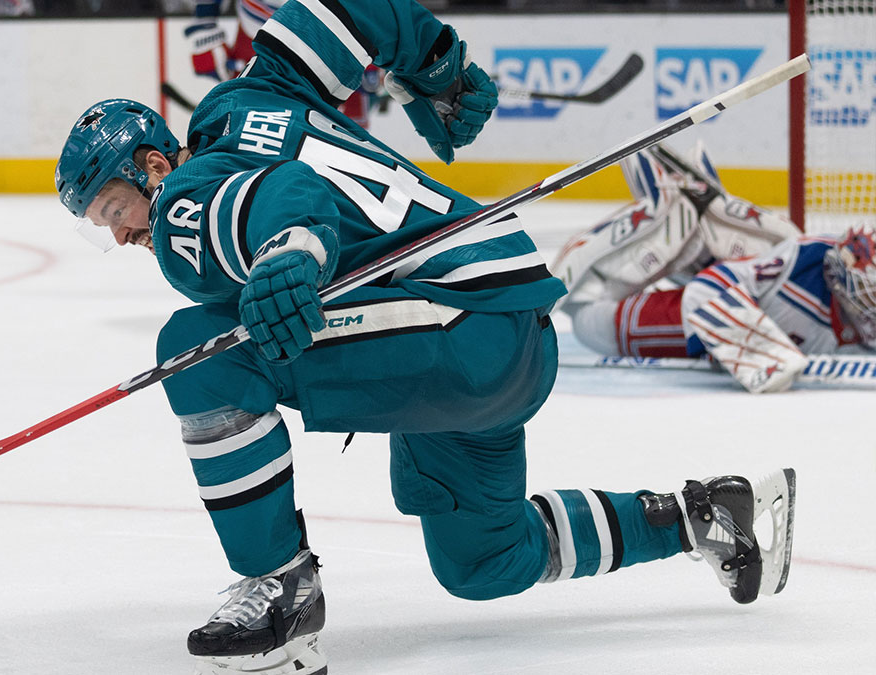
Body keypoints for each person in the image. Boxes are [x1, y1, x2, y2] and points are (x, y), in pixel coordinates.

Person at [54, 2, 797, 673]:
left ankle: (279, 587)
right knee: (483, 558)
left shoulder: (181, 200)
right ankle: (703, 516)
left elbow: (288, 195)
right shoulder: (255, 92)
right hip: (505, 330)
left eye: (115, 208)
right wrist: (436, 70)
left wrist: (288, 249)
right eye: (102, 226)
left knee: (201, 351)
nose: (122, 234)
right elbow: (343, 10)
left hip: (455, 324)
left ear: (153, 165)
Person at [553, 141, 875, 393]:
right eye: (870, 293)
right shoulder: (806, 259)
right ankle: (667, 215)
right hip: (613, 322)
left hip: (739, 299)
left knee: (767, 249)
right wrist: (750, 350)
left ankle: (698, 238)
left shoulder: (858, 313)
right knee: (587, 316)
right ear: (841, 282)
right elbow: (707, 289)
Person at [182, 0, 384, 127]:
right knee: (247, 125)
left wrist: (375, 42)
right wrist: (204, 26)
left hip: (334, 35)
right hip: (258, 35)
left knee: (344, 133)